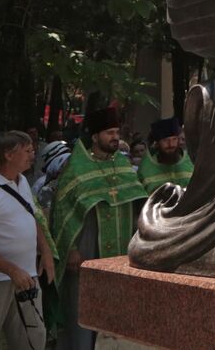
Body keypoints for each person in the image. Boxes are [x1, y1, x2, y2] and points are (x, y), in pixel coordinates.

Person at [51, 107, 147, 350]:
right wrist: (71, 247)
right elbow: (63, 211)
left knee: (117, 307)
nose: (115, 137)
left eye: (117, 132)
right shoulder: (76, 167)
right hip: (87, 246)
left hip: (121, 246)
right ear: (95, 136)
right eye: (109, 132)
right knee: (83, 305)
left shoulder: (124, 167)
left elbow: (139, 204)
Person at [0, 131, 53, 350]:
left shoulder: (23, 182)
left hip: (27, 277)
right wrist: (11, 270)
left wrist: (45, 251)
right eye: (27, 151)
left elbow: (31, 216)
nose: (33, 155)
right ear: (9, 155)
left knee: (33, 338)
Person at [137, 118, 193, 193]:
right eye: (165, 140)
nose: (171, 144)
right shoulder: (146, 167)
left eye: (174, 139)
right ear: (157, 143)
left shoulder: (190, 161)